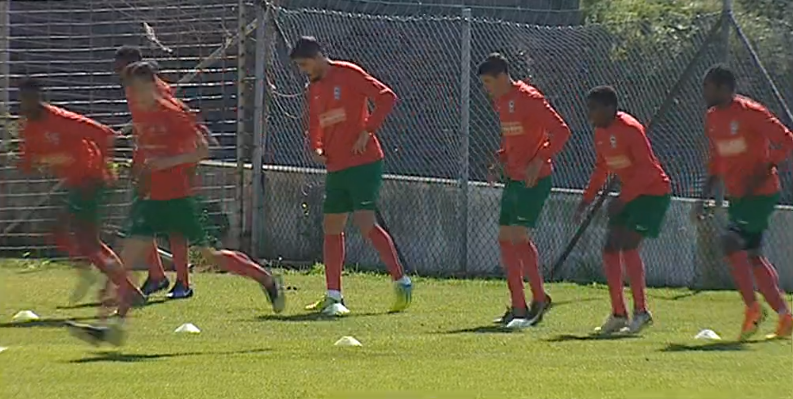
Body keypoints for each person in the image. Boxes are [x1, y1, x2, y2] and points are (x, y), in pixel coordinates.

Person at [66, 63, 285, 346]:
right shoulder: (143, 113)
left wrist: (167, 163)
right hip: (152, 200)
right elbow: (146, 149)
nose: (129, 93)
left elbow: (205, 148)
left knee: (211, 256)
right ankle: (109, 325)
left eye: (133, 87)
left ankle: (266, 280)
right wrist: (141, 172)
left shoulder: (174, 112)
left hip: (180, 199)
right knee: (127, 259)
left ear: (149, 84)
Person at [289, 36, 411, 316]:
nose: (304, 71)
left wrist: (367, 131)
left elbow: (386, 97)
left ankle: (401, 281)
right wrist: (316, 147)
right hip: (336, 166)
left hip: (364, 162)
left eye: (305, 64)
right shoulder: (315, 89)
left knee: (366, 222)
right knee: (331, 227)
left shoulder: (348, 73)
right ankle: (334, 297)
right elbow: (315, 122)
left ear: (319, 56)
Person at [16, 77, 145, 312]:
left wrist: (105, 164)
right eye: (23, 99)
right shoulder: (29, 126)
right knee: (66, 234)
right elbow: (27, 162)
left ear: (40, 99)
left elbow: (105, 134)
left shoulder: (61, 120)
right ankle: (117, 281)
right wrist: (30, 159)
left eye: (30, 99)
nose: (26, 104)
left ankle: (121, 284)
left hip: (90, 181)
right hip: (76, 183)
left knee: (85, 241)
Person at [692, 64, 792, 340]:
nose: (704, 93)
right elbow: (716, 160)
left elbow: (787, 141)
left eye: (708, 87)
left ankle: (753, 309)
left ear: (724, 87)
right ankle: (784, 315)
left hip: (760, 193)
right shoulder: (712, 117)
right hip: (740, 196)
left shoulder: (751, 113)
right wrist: (702, 197)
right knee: (753, 256)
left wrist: (765, 168)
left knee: (730, 241)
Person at [477, 53, 571, 329]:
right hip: (514, 179)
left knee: (518, 236)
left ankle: (539, 299)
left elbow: (561, 131)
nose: (486, 89)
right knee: (506, 239)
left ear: (503, 76)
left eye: (488, 82)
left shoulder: (530, 98)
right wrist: (501, 159)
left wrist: (539, 160)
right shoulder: (501, 102)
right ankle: (518, 306)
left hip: (535, 180)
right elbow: (512, 137)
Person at [577, 86, 671, 336]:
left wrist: (624, 198)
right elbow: (601, 168)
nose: (590, 115)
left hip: (652, 193)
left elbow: (648, 171)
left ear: (610, 108)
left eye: (594, 109)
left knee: (629, 246)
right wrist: (586, 200)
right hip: (630, 195)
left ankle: (642, 312)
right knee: (610, 248)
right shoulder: (599, 132)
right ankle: (619, 314)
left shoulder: (630, 129)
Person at [114, 45, 207, 300]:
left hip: (172, 169)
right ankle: (156, 275)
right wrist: (139, 161)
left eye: (122, 70)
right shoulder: (135, 93)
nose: (120, 76)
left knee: (176, 229)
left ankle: (183, 282)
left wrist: (183, 164)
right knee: (143, 224)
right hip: (153, 166)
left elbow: (189, 137)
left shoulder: (159, 95)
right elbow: (144, 134)